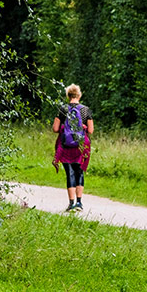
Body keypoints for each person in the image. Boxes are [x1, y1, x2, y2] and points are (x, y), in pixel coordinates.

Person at [52, 83, 94, 211]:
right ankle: (79, 203)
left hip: (65, 145)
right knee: (79, 172)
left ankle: (71, 204)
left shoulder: (63, 109)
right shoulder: (85, 110)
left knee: (69, 173)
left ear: (68, 96)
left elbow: (55, 129)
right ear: (79, 95)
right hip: (80, 145)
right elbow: (91, 130)